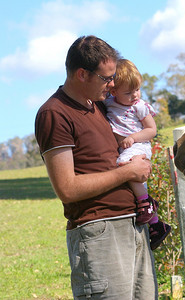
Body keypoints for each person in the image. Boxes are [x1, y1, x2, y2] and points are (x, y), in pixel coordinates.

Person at [35, 35, 158, 299]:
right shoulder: (55, 114)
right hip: (99, 233)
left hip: (133, 225)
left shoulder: (101, 107)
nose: (113, 84)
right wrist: (128, 172)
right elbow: (67, 189)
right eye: (106, 78)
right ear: (82, 74)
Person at [105, 58, 171, 250]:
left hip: (139, 145)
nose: (135, 95)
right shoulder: (109, 103)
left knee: (128, 166)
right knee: (132, 173)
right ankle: (156, 224)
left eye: (137, 89)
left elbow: (151, 130)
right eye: (129, 92)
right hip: (126, 147)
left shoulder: (139, 106)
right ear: (113, 91)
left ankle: (145, 203)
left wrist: (133, 138)